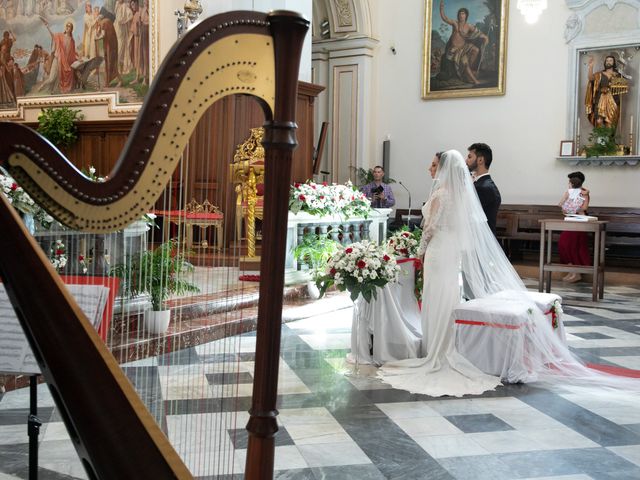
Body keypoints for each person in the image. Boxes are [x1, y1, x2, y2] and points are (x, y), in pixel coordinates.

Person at [378, 150, 640, 397]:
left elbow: (430, 228)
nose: (429, 167)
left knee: (436, 297)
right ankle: (446, 346)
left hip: (438, 251)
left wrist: (421, 252)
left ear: (444, 168)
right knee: (449, 296)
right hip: (451, 252)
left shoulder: (440, 194)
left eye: (434, 163)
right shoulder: (459, 195)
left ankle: (434, 349)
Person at [437, 0, 489, 85]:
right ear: (458, 15)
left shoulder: (469, 26)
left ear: (466, 16)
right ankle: (475, 80)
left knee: (476, 49)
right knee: (464, 61)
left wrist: (485, 37)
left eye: (463, 14)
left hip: (464, 47)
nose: (461, 15)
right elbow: (445, 18)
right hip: (455, 49)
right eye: (460, 14)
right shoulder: (455, 23)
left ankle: (469, 70)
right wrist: (441, 8)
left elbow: (478, 33)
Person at [558, 172, 590, 283]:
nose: (568, 184)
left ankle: (576, 273)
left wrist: (573, 208)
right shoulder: (569, 192)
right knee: (564, 244)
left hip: (580, 222)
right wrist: (565, 206)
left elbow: (584, 207)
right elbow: (562, 207)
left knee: (574, 246)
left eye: (570, 181)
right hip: (570, 220)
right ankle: (572, 271)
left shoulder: (584, 192)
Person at [585, 55, 628, 131]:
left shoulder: (618, 75)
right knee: (599, 121)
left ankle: (610, 142)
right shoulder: (599, 74)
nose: (608, 62)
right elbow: (591, 78)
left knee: (611, 123)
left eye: (610, 60)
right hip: (600, 101)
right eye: (607, 61)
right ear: (605, 62)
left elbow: (625, 86)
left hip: (613, 101)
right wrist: (591, 67)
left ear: (614, 62)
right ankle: (600, 142)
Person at [466, 142, 501, 236]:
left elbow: (468, 217)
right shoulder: (483, 184)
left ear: (480, 160)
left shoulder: (483, 187)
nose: (466, 160)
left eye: (469, 157)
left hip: (480, 242)